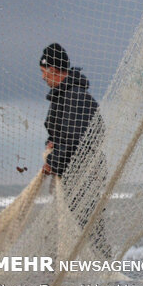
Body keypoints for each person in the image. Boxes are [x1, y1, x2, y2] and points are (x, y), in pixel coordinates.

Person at [40, 42, 111, 258]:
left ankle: (106, 273)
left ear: (52, 69)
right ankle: (99, 271)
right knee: (82, 226)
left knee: (88, 227)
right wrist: (51, 142)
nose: (43, 77)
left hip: (83, 176)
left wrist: (53, 162)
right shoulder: (64, 96)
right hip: (74, 174)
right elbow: (63, 133)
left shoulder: (74, 97)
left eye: (44, 72)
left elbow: (74, 139)